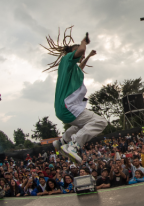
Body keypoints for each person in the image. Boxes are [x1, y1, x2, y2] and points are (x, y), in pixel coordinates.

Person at [44, 28, 108, 163]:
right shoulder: (66, 60)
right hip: (69, 106)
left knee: (82, 125)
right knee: (100, 121)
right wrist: (83, 42)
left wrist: (89, 55)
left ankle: (62, 141)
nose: (82, 55)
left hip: (63, 108)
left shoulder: (73, 69)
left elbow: (81, 66)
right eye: (81, 53)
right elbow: (79, 51)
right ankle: (73, 145)